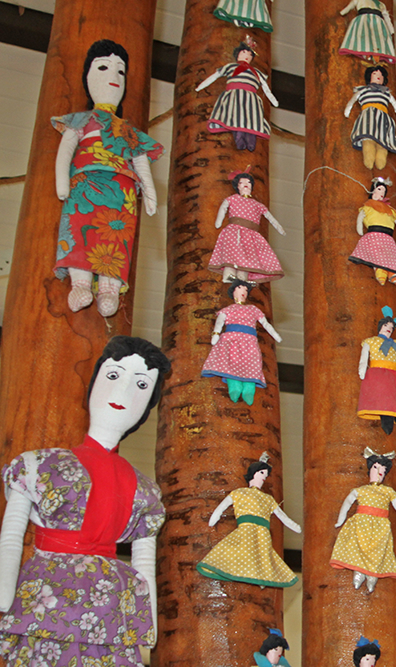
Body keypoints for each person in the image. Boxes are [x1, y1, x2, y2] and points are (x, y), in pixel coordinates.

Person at [0, 337, 170, 666]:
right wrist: (5, 594)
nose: (124, 392)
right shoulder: (39, 465)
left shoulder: (145, 492)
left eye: (141, 385)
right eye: (113, 376)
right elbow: (11, 536)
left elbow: (144, 565)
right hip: (46, 598)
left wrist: (147, 625)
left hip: (110, 609)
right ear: (94, 383)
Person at [53, 40, 162, 317]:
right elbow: (65, 151)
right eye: (103, 67)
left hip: (122, 191)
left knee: (117, 239)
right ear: (88, 75)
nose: (114, 76)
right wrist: (62, 183)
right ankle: (80, 284)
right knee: (79, 230)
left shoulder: (128, 131)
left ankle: (109, 291)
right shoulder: (82, 120)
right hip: (85, 185)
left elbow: (140, 160)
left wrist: (150, 193)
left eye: (120, 71)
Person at [197, 454, 301, 587]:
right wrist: (214, 518)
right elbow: (222, 507)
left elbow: (282, 516)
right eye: (262, 473)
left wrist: (294, 526)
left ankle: (261, 576)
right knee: (237, 550)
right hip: (245, 529)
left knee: (263, 555)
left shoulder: (268, 499)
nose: (264, 477)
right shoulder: (239, 493)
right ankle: (238, 572)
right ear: (254, 473)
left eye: (266, 475)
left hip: (262, 534)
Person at [330, 449, 396, 593]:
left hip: (380, 526)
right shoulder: (361, 490)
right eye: (376, 468)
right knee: (358, 546)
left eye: (383, 470)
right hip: (361, 524)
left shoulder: (388, 492)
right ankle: (359, 573)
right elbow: (347, 503)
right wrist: (340, 520)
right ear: (370, 470)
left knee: (377, 551)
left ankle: (372, 577)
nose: (379, 472)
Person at [201, 280, 282, 405]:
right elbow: (219, 322)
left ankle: (249, 390)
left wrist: (275, 335)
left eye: (246, 290)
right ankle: (234, 387)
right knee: (231, 362)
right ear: (233, 292)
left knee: (251, 363)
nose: (243, 292)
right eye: (240, 288)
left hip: (249, 341)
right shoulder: (228, 309)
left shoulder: (253, 309)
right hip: (231, 340)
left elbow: (265, 323)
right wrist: (216, 333)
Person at [196, 37, 278, 152]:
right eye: (244, 52)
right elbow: (215, 76)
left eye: (250, 54)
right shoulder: (231, 67)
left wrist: (273, 100)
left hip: (251, 99)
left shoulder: (256, 72)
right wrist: (200, 86)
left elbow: (265, 87)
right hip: (234, 95)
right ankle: (240, 140)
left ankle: (250, 142)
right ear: (238, 54)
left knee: (251, 119)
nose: (247, 56)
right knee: (235, 116)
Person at [208, 170, 285, 284]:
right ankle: (228, 275)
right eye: (241, 182)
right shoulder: (233, 199)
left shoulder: (257, 205)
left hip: (251, 235)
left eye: (248, 182)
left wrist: (279, 228)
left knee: (247, 258)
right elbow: (223, 208)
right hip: (235, 232)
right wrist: (218, 222)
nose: (245, 184)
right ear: (237, 186)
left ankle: (242, 279)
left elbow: (270, 217)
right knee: (231, 254)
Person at [357, 306, 396, 435]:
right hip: (378, 374)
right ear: (381, 326)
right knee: (383, 398)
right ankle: (387, 421)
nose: (389, 328)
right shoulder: (371, 341)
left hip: (394, 375)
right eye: (386, 325)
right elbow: (364, 357)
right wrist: (362, 369)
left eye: (391, 327)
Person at [344, 66, 396, 170]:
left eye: (381, 75)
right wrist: (347, 112)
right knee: (367, 136)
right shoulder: (363, 90)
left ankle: (381, 156)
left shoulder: (387, 93)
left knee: (383, 140)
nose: (378, 76)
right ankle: (368, 155)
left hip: (383, 118)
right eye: (375, 74)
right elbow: (352, 101)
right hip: (368, 115)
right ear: (369, 77)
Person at [349, 177, 396, 285]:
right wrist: (359, 229)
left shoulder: (390, 210)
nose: (382, 193)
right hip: (374, 235)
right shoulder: (368, 207)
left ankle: (392, 273)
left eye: (384, 191)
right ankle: (380, 272)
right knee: (377, 255)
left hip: (388, 238)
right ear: (373, 190)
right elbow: (361, 217)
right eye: (380, 189)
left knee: (391, 255)